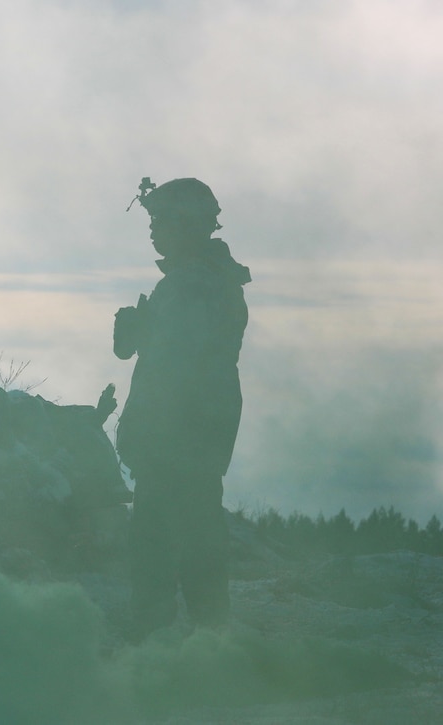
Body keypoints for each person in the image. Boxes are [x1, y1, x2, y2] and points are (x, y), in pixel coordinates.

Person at [114, 176, 251, 640]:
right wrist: (141, 333)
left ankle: (162, 655)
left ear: (188, 224)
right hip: (190, 432)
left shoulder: (195, 283)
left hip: (178, 435)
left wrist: (142, 332)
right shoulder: (203, 279)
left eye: (161, 220)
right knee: (196, 537)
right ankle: (207, 645)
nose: (153, 230)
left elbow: (182, 360)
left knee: (160, 545)